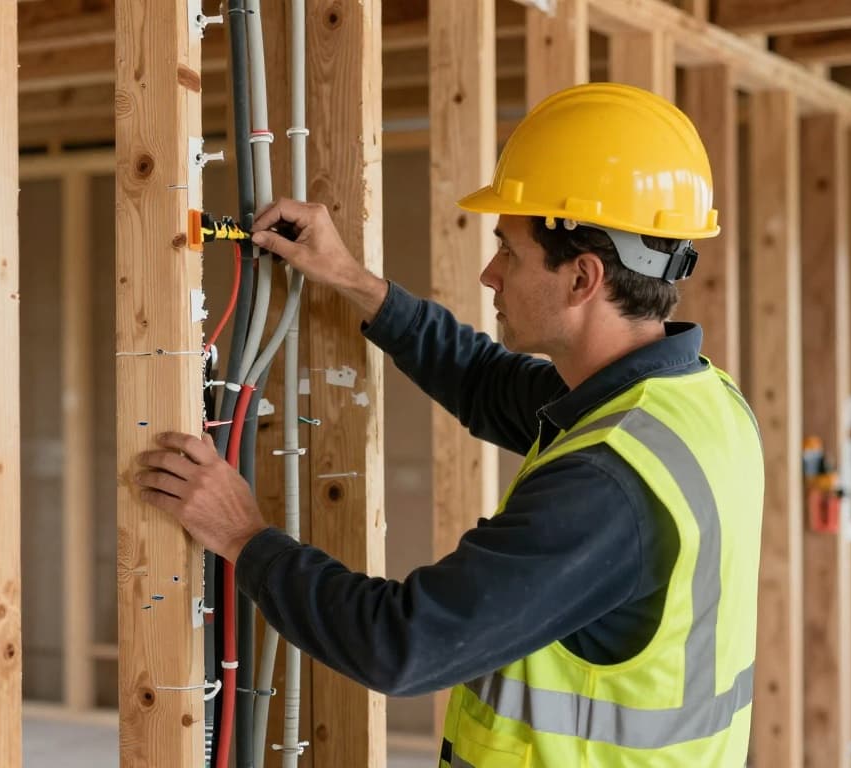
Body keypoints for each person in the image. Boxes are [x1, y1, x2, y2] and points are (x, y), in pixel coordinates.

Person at [133, 82, 764, 767]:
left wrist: (242, 534)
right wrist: (348, 277)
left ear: (582, 278)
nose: (490, 273)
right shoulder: (691, 404)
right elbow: (486, 381)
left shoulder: (608, 484)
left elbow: (403, 645)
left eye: (510, 252)